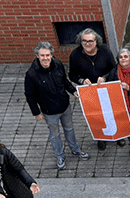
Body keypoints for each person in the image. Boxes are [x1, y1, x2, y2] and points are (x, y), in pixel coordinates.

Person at [24, 42, 86, 170]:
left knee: (69, 129)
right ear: (37, 56)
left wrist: (73, 91)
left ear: (52, 55)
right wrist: (36, 112)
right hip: (49, 111)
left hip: (65, 106)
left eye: (48, 55)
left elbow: (64, 81)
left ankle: (75, 149)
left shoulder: (58, 65)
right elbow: (30, 95)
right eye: (42, 55)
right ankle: (60, 156)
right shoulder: (31, 74)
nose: (45, 58)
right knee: (55, 135)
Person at [68, 28, 117, 152]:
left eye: (90, 41)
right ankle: (101, 138)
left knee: (111, 112)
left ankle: (117, 135)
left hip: (106, 88)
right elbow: (72, 75)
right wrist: (82, 81)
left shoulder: (105, 51)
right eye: (84, 41)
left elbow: (114, 68)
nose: (87, 43)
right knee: (96, 115)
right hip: (89, 91)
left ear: (96, 41)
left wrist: (105, 77)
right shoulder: (75, 55)